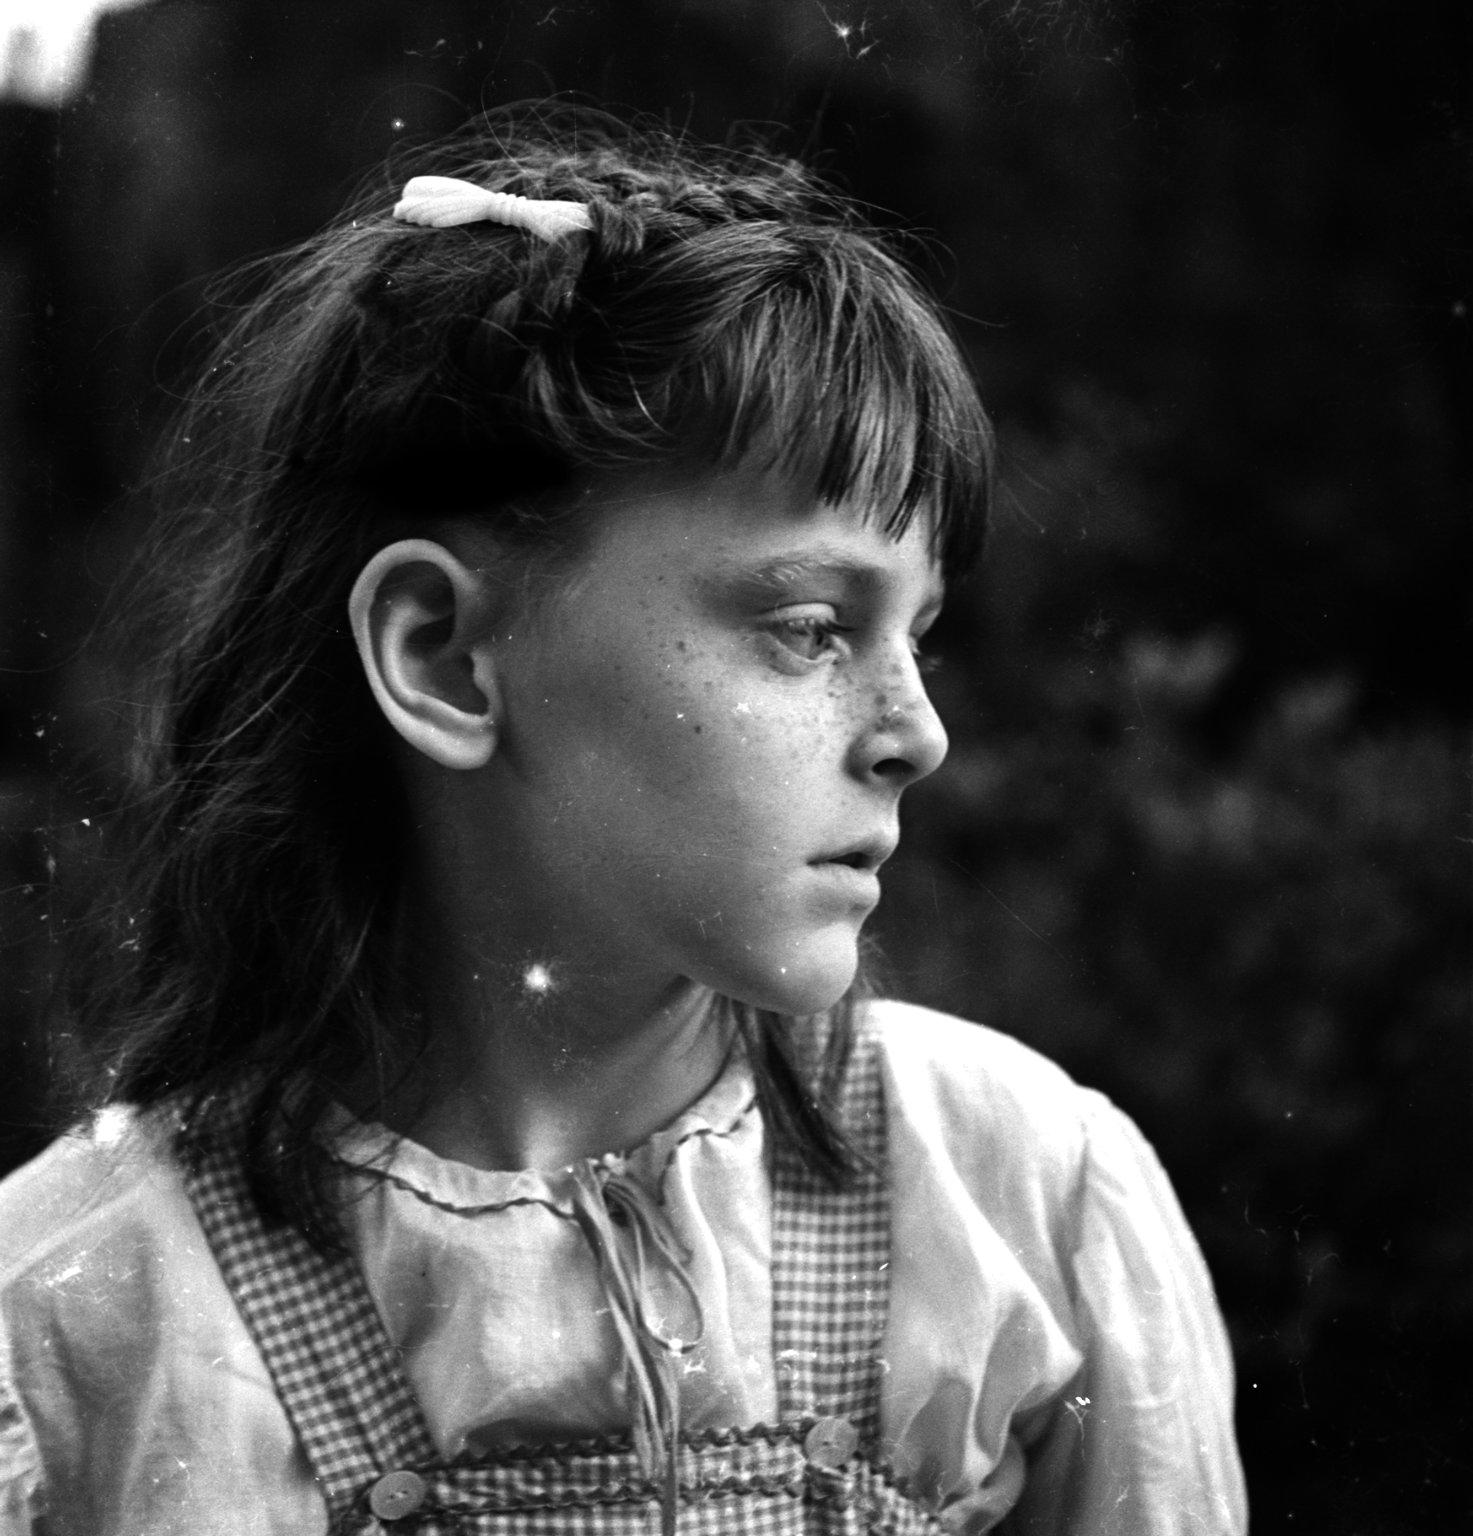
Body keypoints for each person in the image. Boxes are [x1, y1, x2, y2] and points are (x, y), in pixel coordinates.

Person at [0, 109, 1246, 1534]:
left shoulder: (1024, 1197)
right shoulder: (82, 1329)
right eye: (808, 627)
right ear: (443, 657)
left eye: (918, 637)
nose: (916, 733)